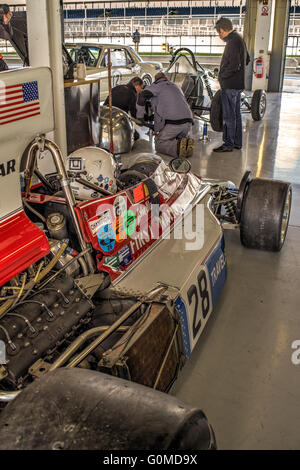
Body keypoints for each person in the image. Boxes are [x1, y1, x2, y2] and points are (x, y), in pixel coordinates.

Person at [137, 72, 194, 158]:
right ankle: (183, 141)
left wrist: (140, 117)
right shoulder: (176, 87)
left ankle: (177, 147)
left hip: (174, 123)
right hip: (188, 122)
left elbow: (142, 95)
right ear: (166, 78)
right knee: (175, 137)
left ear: (156, 80)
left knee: (160, 143)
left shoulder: (157, 85)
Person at [214, 17, 250, 152]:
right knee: (236, 115)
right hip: (237, 84)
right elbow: (247, 59)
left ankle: (228, 144)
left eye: (219, 33)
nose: (220, 36)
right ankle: (236, 142)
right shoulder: (239, 39)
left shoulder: (232, 42)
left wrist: (223, 76)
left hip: (230, 85)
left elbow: (235, 65)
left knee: (228, 116)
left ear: (223, 30)